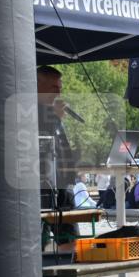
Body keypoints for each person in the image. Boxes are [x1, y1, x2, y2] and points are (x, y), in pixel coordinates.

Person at [36, 65, 78, 209]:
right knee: (43, 229)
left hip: (63, 184)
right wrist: (55, 117)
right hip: (43, 186)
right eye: (54, 88)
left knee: (70, 230)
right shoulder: (28, 109)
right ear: (38, 84)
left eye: (60, 88)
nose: (59, 94)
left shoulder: (52, 112)